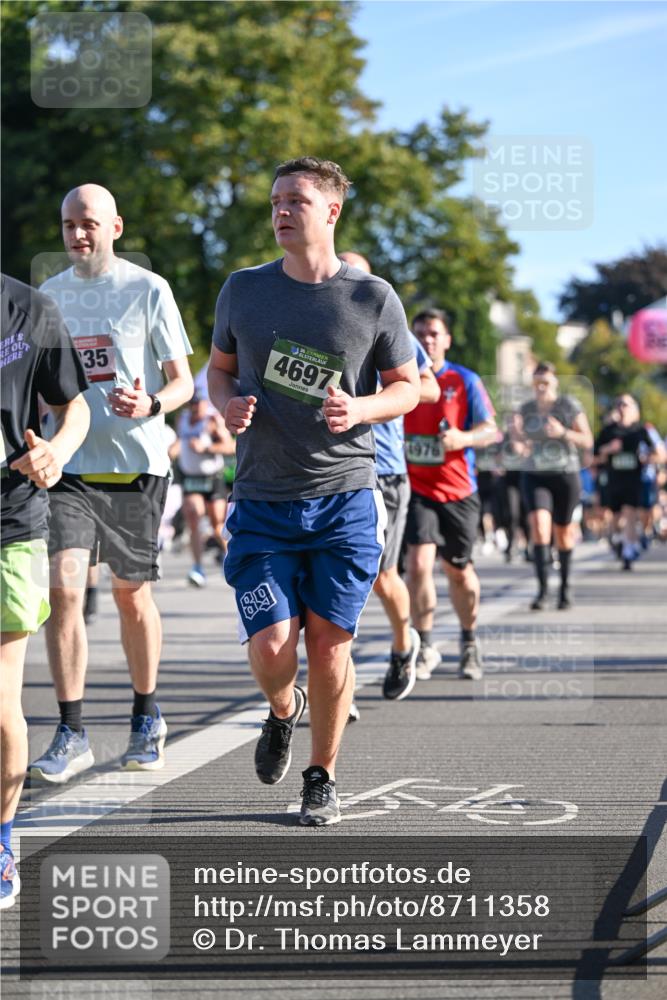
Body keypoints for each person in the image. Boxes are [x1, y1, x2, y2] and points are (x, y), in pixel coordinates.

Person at [208, 157, 419, 826]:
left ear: (330, 212)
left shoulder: (372, 298)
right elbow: (218, 371)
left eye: (296, 200)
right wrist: (226, 406)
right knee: (273, 649)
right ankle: (280, 708)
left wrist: (359, 410)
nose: (280, 211)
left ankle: (321, 775)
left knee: (329, 642)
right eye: (275, 200)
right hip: (263, 499)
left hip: (344, 498)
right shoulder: (242, 290)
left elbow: (412, 386)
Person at [28, 184, 193, 783]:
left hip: (135, 469)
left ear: (115, 227)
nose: (77, 234)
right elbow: (39, 384)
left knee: (130, 596)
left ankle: (147, 714)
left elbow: (184, 384)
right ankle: (71, 731)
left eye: (89, 223)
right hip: (70, 468)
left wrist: (150, 402)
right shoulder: (48, 296)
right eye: (69, 223)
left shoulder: (148, 290)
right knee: (65, 591)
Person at [1, 274, 90, 908]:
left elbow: (74, 406)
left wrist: (55, 452)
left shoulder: (30, 310)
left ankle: (2, 840)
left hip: (8, 526)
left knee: (1, 700)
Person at [339, 251, 440, 702]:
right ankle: (339, 689)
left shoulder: (384, 312)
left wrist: (374, 395)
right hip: (335, 469)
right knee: (335, 581)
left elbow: (428, 386)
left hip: (386, 471)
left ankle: (404, 643)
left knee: (381, 576)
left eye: (355, 272)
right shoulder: (319, 315)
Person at [404, 308, 497, 681]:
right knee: (418, 565)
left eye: (434, 333)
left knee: (458, 571)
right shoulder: (400, 379)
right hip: (417, 488)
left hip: (459, 489)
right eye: (421, 333)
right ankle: (425, 645)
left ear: (447, 340)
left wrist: (463, 438)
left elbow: (491, 429)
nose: (427, 339)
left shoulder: (465, 380)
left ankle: (469, 641)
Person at [512, 361, 593, 609]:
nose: (541, 388)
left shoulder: (567, 406)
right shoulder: (525, 409)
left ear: (555, 383)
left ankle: (565, 589)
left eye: (546, 382)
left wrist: (562, 433)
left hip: (564, 475)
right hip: (536, 475)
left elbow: (587, 440)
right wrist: (518, 443)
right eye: (537, 383)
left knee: (564, 534)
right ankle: (542, 590)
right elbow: (516, 442)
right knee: (539, 526)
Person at [594, 394, 664, 570]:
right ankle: (619, 539)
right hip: (613, 480)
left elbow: (660, 454)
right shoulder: (608, 431)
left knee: (630, 513)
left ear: (634, 409)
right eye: (619, 404)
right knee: (616, 519)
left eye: (626, 405)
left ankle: (628, 552)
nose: (622, 408)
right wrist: (609, 449)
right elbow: (593, 456)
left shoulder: (640, 431)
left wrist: (648, 458)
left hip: (633, 481)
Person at [176, 394, 235, 587]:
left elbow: (230, 446)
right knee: (193, 516)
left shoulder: (212, 421)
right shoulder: (182, 419)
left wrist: (206, 447)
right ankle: (197, 567)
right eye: (192, 403)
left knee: (217, 523)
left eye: (199, 404)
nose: (195, 407)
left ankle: (231, 558)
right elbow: (180, 441)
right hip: (191, 478)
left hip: (212, 478)